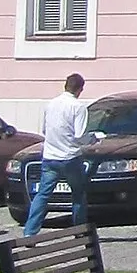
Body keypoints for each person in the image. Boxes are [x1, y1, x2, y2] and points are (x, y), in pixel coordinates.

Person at [23, 70, 90, 235]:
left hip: (50, 156)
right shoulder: (78, 107)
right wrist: (93, 139)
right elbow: (80, 135)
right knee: (78, 194)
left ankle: (30, 231)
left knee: (43, 194)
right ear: (80, 89)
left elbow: (45, 130)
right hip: (70, 156)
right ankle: (79, 230)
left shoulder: (50, 104)